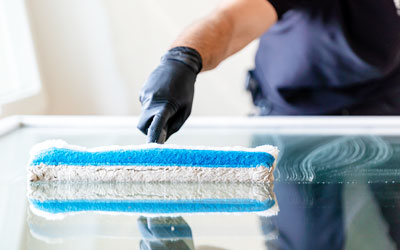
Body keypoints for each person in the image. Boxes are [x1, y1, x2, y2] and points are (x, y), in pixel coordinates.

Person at [137, 0, 400, 143]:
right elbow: (230, 19)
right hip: (295, 112)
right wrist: (183, 59)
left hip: (385, 99)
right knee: (305, 240)